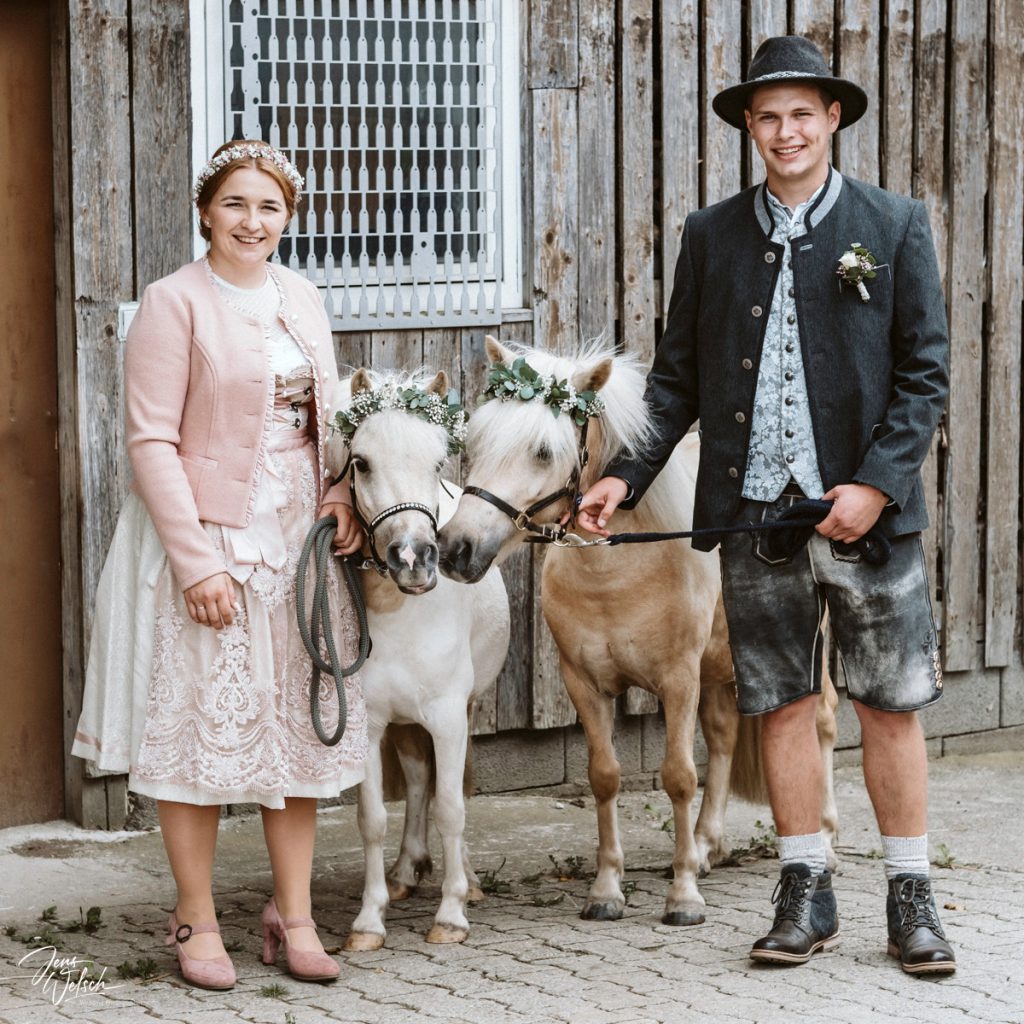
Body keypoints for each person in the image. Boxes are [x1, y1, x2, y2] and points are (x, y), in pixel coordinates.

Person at [577, 36, 954, 975]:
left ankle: (911, 897)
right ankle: (805, 892)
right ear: (749, 126)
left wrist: (875, 485)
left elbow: (924, 376)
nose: (785, 130)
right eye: (767, 115)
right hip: (754, 519)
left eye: (802, 113)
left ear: (832, 118)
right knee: (779, 704)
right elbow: (674, 383)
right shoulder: (711, 237)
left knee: (890, 706)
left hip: (871, 518)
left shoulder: (894, 224)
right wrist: (623, 473)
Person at [72, 141, 368, 989]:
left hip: (293, 543)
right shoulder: (174, 304)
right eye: (236, 204)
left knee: (294, 739)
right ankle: (196, 922)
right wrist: (196, 562)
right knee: (203, 738)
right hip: (211, 538)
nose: (253, 221)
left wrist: (340, 495)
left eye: (270, 207)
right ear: (207, 210)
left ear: (288, 218)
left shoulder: (304, 298)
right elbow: (149, 441)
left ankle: (295, 914)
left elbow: (327, 416)